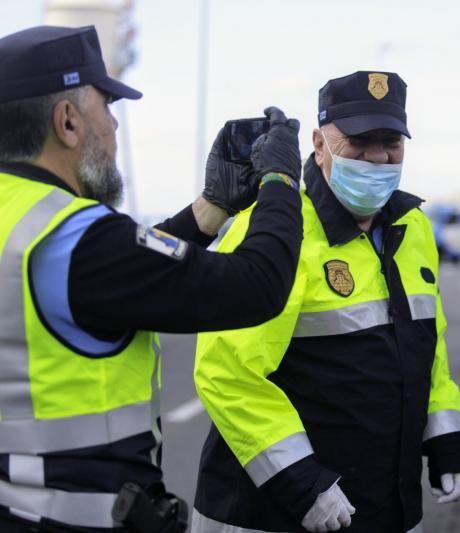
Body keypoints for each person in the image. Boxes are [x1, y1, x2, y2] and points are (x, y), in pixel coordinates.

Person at [0, 25, 304, 532]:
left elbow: (119, 276)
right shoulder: (76, 238)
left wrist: (213, 207)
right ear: (68, 121)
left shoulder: (30, 227)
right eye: (107, 107)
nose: (115, 127)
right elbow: (256, 285)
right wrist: (279, 180)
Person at [191, 71, 460, 533]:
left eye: (391, 143)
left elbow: (428, 345)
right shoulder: (273, 231)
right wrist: (299, 480)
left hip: (384, 505)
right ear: (319, 144)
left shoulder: (413, 228)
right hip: (276, 511)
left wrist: (447, 436)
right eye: (360, 142)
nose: (378, 157)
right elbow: (226, 371)